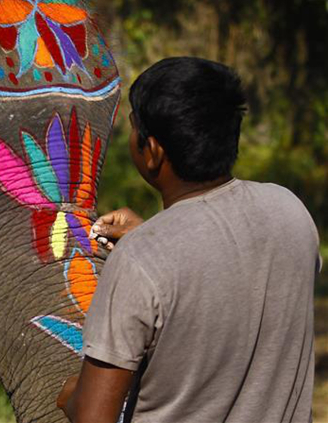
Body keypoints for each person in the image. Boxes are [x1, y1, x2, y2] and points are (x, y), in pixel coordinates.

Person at [57, 57, 320, 423]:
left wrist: (71, 398)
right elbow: (231, 269)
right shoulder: (290, 211)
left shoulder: (138, 261)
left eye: (134, 128)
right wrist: (152, 238)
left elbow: (92, 417)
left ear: (153, 152)